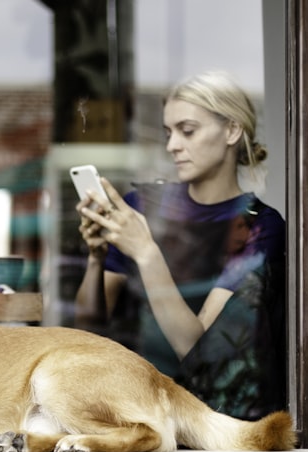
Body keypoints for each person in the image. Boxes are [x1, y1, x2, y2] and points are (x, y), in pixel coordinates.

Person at [74, 70, 287, 419]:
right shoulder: (142, 207)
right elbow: (88, 325)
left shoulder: (258, 226)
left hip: (214, 418)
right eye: (169, 132)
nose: (173, 145)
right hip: (135, 407)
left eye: (187, 131)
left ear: (232, 131)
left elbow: (197, 348)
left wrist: (145, 252)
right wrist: (97, 258)